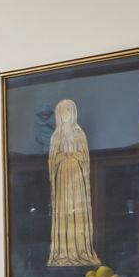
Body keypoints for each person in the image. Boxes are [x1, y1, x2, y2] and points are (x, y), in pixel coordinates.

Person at [46, 99, 101, 267]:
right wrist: (62, 158)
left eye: (68, 111)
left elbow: (85, 157)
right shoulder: (56, 136)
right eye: (62, 112)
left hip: (76, 176)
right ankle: (62, 252)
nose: (65, 115)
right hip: (63, 176)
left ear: (73, 113)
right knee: (64, 210)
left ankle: (80, 250)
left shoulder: (79, 134)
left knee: (77, 210)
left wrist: (75, 157)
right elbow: (52, 160)